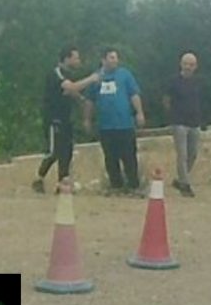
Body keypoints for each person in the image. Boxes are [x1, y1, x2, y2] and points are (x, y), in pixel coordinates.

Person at [32, 46, 99, 194]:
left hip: (66, 118)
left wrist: (81, 100)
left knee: (67, 151)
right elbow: (71, 87)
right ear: (66, 58)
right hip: (53, 119)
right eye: (76, 58)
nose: (78, 61)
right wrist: (91, 79)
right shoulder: (56, 73)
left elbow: (70, 92)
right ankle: (38, 178)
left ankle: (62, 183)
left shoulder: (69, 74)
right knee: (54, 151)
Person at [84, 47, 146, 197]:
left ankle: (133, 186)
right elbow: (89, 101)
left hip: (124, 124)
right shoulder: (96, 78)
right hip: (106, 126)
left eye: (116, 57)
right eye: (111, 57)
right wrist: (87, 119)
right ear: (103, 60)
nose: (115, 60)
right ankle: (116, 186)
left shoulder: (125, 75)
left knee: (129, 156)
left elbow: (134, 94)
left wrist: (139, 112)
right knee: (110, 158)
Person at [164, 52, 206, 198]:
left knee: (193, 153)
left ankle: (181, 179)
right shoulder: (173, 81)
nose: (188, 67)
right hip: (179, 121)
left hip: (194, 122)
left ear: (195, 66)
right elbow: (166, 100)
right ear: (181, 64)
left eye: (191, 64)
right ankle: (185, 185)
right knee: (182, 154)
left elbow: (200, 101)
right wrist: (172, 116)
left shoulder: (198, 82)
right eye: (186, 64)